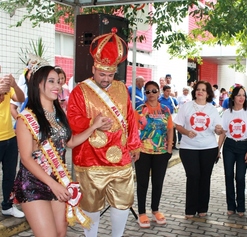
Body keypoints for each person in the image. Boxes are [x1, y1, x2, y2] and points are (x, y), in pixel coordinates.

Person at [11, 65, 108, 237]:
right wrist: (53, 185)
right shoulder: (26, 117)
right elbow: (26, 158)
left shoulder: (59, 114)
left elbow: (70, 142)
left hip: (58, 181)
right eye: (51, 81)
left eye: (59, 81)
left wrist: (94, 126)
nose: (57, 85)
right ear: (38, 84)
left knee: (60, 233)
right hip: (33, 184)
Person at [67, 28, 141, 237]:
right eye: (102, 74)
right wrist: (93, 122)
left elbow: (130, 118)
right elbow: (73, 120)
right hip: (90, 158)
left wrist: (135, 145)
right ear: (93, 68)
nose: (106, 78)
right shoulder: (79, 91)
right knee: (91, 205)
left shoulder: (121, 88)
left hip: (120, 158)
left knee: (123, 203)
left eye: (110, 74)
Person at [174, 81, 223, 218]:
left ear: (208, 93)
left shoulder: (212, 109)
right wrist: (186, 132)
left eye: (203, 90)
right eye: (198, 89)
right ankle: (190, 209)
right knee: (193, 176)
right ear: (194, 91)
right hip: (188, 148)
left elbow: (217, 128)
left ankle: (202, 208)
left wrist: (218, 130)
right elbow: (177, 125)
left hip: (209, 148)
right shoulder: (186, 107)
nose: (200, 92)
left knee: (205, 178)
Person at [135, 81, 173, 228]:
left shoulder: (165, 109)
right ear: (145, 93)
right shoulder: (139, 110)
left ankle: (155, 210)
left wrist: (169, 148)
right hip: (142, 152)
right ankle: (141, 213)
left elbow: (170, 129)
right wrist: (135, 149)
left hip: (161, 152)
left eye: (154, 91)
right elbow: (134, 132)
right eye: (148, 91)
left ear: (159, 92)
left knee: (158, 183)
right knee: (142, 183)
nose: (151, 94)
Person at [218, 84, 247, 217]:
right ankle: (231, 206)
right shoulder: (227, 113)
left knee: (240, 177)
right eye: (238, 95)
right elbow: (223, 133)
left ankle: (241, 206)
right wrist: (218, 149)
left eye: (243, 95)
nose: (241, 98)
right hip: (229, 146)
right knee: (228, 175)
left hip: (244, 147)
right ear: (233, 97)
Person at [0, 74, 25, 218]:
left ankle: (7, 206)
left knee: (10, 174)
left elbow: (21, 99)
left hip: (10, 137)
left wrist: (14, 85)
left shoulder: (6, 86)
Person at [159, 85, 179, 149]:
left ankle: (173, 145)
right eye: (167, 91)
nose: (168, 92)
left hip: (171, 116)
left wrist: (176, 107)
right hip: (163, 117)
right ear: (164, 91)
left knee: (172, 130)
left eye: (169, 91)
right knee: (164, 131)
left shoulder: (172, 99)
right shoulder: (160, 99)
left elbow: (177, 104)